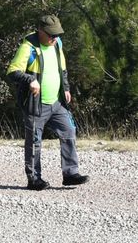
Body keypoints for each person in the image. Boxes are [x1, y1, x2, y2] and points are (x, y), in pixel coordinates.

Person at [7, 14, 88, 191]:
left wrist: (66, 88)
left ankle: (70, 174)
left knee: (69, 131)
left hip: (57, 102)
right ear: (40, 31)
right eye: (51, 35)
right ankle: (34, 179)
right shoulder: (28, 47)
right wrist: (30, 80)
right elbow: (12, 71)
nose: (55, 38)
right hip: (36, 105)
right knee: (34, 142)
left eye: (57, 34)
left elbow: (62, 69)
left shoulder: (57, 44)